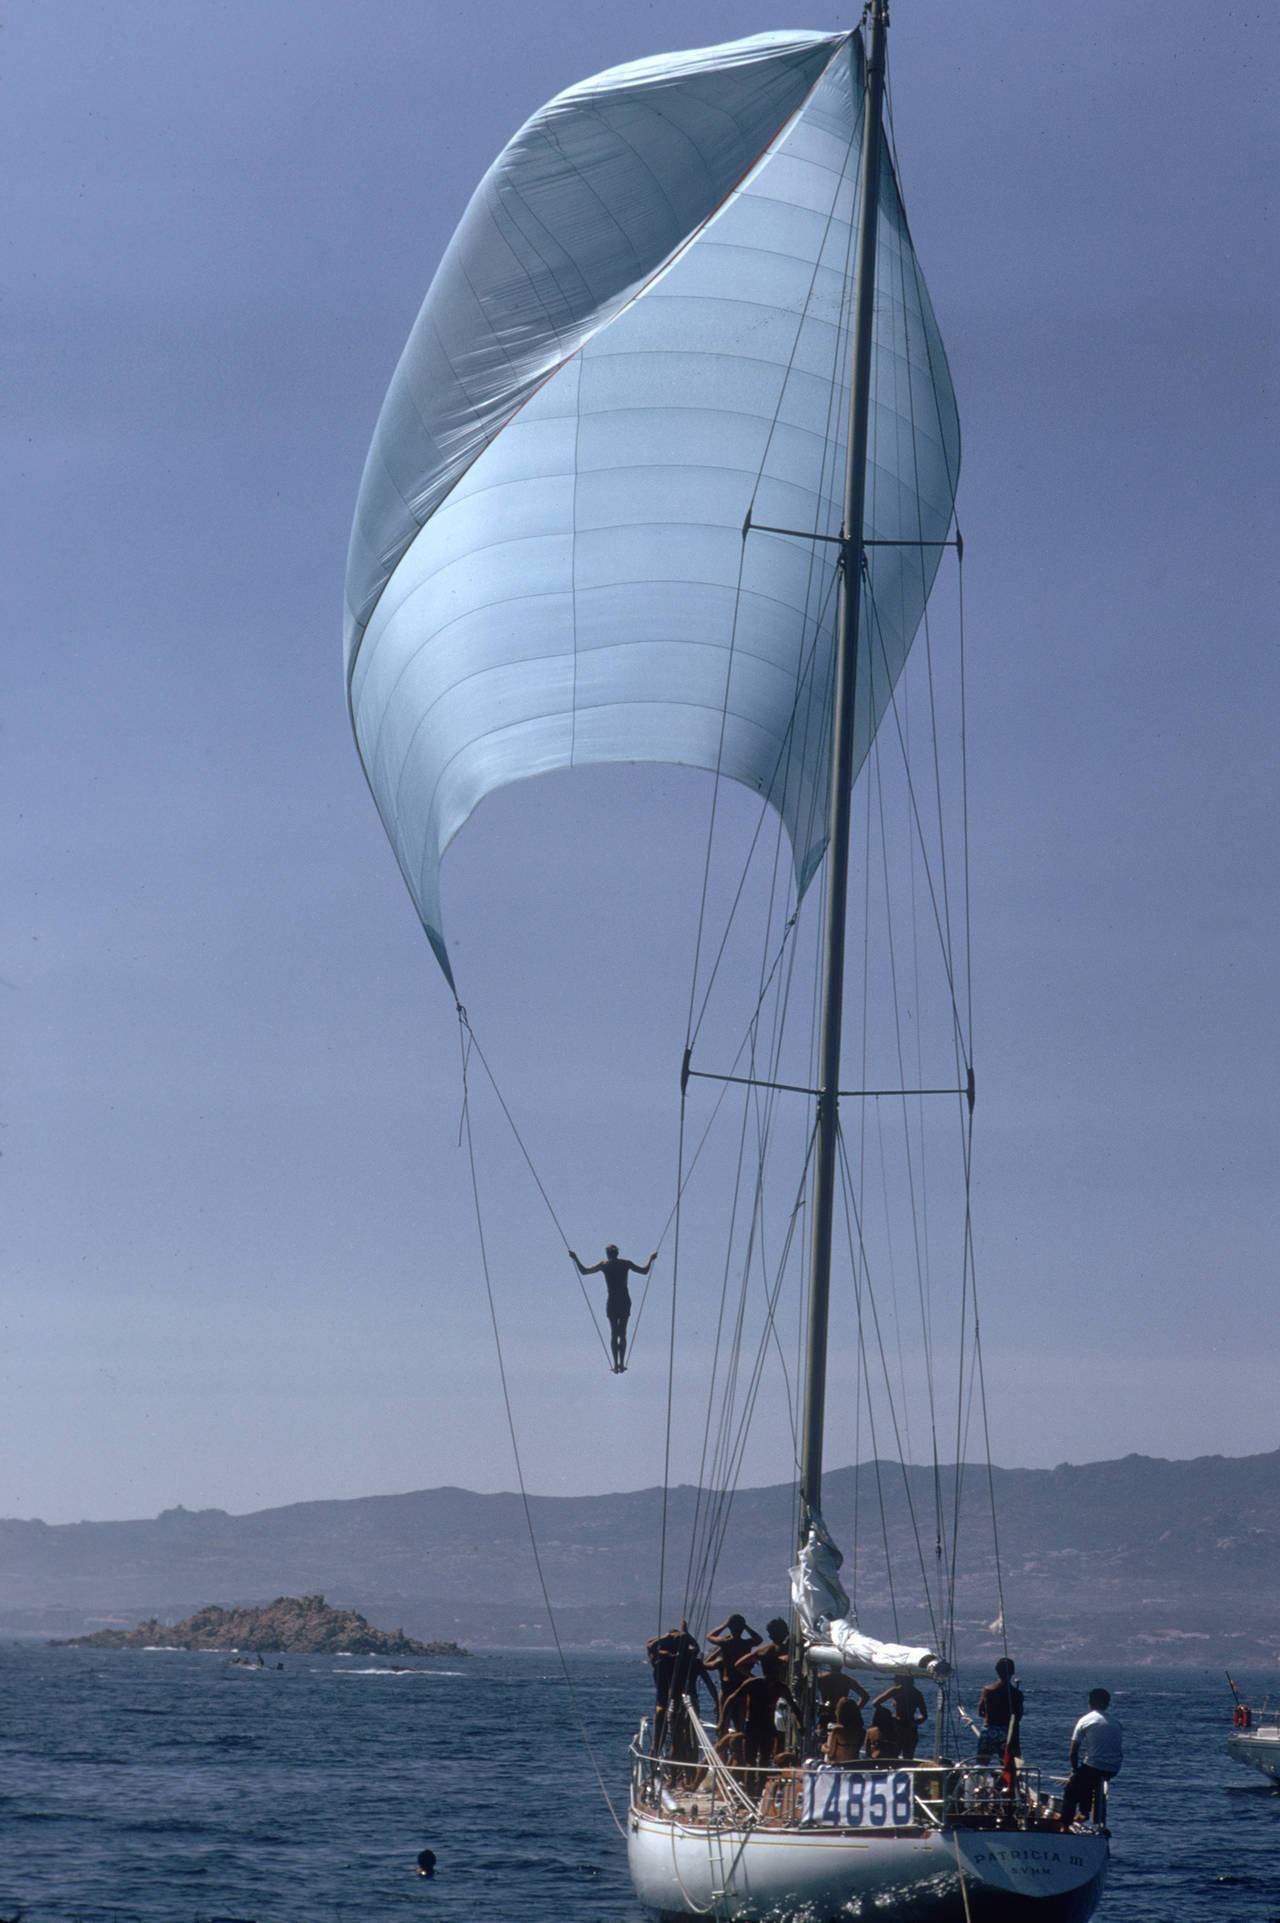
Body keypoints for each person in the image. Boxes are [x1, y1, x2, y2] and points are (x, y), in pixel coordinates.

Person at [569, 1244, 656, 1372]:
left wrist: (575, 1258)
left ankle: (616, 1364)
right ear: (617, 1253)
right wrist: (651, 1259)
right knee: (623, 1332)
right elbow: (644, 1271)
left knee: (614, 1333)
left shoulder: (605, 1265)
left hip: (613, 1301)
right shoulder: (625, 1263)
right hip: (624, 1300)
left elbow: (584, 1271)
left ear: (607, 1254)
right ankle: (620, 1364)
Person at [647, 1620, 717, 1761]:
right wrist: (684, 1634)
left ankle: (664, 1771)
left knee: (673, 1741)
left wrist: (670, 1636)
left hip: (671, 1704)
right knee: (689, 1739)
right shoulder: (689, 1661)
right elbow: (696, 1649)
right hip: (685, 1703)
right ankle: (685, 1771)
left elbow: (651, 1647)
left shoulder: (664, 1661)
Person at [1061, 1687, 1122, 1829]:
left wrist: (1074, 1771)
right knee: (1087, 1778)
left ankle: (1065, 1823)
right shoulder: (1116, 1723)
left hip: (1095, 1767)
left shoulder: (1085, 1720)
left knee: (1072, 1788)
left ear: (1090, 1702)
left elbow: (1073, 1752)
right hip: (1114, 1768)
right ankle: (1084, 1811)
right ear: (1107, 1704)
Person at [704, 1615, 763, 1735]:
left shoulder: (726, 1643)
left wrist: (725, 1624)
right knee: (740, 1725)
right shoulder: (746, 1644)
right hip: (742, 1684)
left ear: (730, 1628)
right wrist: (745, 1626)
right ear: (742, 1628)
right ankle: (739, 1750)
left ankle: (722, 1751)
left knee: (723, 1723)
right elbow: (759, 1639)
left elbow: (709, 1636)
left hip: (728, 1685)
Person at [976, 1655, 1024, 1763]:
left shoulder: (988, 1690)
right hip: (1006, 1733)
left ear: (997, 1671)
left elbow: (981, 1712)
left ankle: (979, 1779)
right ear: (1012, 1672)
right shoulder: (1016, 1694)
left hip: (988, 1731)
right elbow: (1017, 1717)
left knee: (981, 1765)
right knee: (1007, 1767)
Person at [871, 1674, 929, 1760]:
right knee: (908, 1758)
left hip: (897, 1727)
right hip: (911, 1729)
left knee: (893, 1757)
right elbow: (924, 1716)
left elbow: (875, 1703)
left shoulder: (896, 1690)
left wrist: (888, 1714)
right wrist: (914, 1722)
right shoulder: (917, 1693)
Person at [823, 1695, 865, 1764]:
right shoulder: (861, 1731)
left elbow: (830, 1753)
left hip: (839, 1766)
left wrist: (823, 1747)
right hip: (854, 1765)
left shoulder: (837, 1730)